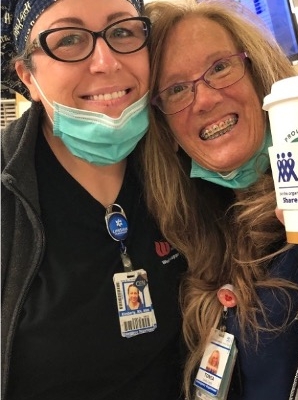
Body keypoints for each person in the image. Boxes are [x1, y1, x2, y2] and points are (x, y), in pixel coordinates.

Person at [142, 0, 298, 399]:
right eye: (176, 90)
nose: (205, 99)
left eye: (220, 68)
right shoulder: (186, 232)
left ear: (260, 77)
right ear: (167, 130)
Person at [1, 1, 187, 399]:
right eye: (68, 39)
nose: (105, 62)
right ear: (27, 77)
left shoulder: (182, 163)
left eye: (123, 32)